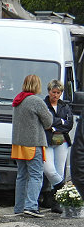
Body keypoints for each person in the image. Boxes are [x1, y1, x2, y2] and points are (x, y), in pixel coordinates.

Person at [11, 75, 53, 218]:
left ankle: (19, 207)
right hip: (33, 143)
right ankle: (31, 206)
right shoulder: (36, 101)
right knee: (36, 175)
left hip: (18, 143)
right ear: (37, 86)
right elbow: (48, 122)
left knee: (21, 176)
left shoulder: (18, 100)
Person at [41, 79, 73, 213]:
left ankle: (56, 203)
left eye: (58, 92)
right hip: (48, 140)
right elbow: (45, 122)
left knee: (60, 170)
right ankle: (61, 187)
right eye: (53, 92)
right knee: (48, 169)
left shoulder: (64, 106)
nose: (55, 95)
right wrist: (60, 122)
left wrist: (55, 125)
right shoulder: (43, 104)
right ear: (49, 92)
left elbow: (69, 124)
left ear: (61, 93)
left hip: (62, 141)